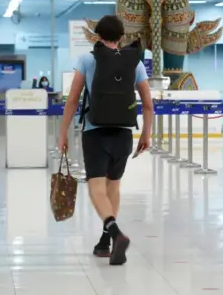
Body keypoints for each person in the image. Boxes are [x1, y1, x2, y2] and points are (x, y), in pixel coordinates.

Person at [58, 15, 153, 266]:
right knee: (114, 187)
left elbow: (73, 99)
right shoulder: (135, 61)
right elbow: (148, 104)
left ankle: (115, 232)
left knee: (96, 189)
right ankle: (104, 242)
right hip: (123, 133)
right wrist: (146, 134)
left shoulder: (88, 59)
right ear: (122, 37)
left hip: (95, 132)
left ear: (97, 36)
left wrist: (63, 133)